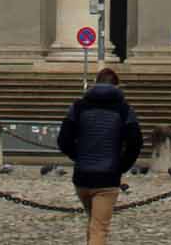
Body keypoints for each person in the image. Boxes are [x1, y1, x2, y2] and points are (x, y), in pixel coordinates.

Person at [57, 66, 143, 245]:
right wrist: (121, 166)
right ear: (117, 86)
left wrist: (80, 157)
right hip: (107, 178)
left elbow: (63, 141)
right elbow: (135, 143)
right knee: (99, 228)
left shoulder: (78, 107)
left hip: (82, 177)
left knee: (94, 223)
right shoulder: (124, 110)